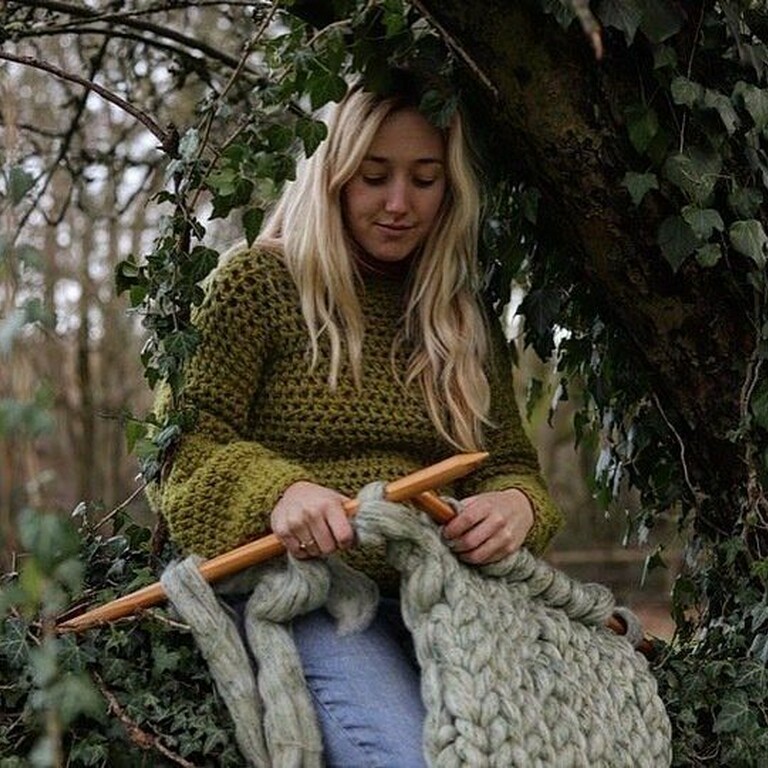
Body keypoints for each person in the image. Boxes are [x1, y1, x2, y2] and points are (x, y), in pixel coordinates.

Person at [154, 73, 563, 767]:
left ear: (451, 189)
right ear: (334, 176)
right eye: (374, 177)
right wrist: (278, 494)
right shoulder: (257, 286)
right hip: (310, 593)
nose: (399, 203)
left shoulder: (460, 317)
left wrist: (517, 506)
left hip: (442, 598)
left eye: (424, 179)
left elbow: (507, 463)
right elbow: (185, 451)